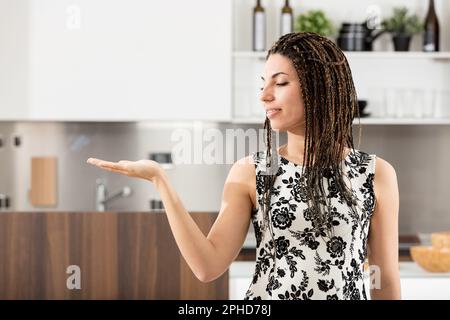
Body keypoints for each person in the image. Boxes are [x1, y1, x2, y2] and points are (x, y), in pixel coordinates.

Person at [87, 32, 401, 300]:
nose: (264, 95)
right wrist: (160, 181)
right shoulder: (252, 172)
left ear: (319, 88)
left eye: (280, 83)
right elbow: (207, 266)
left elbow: (385, 280)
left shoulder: (375, 173)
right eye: (263, 84)